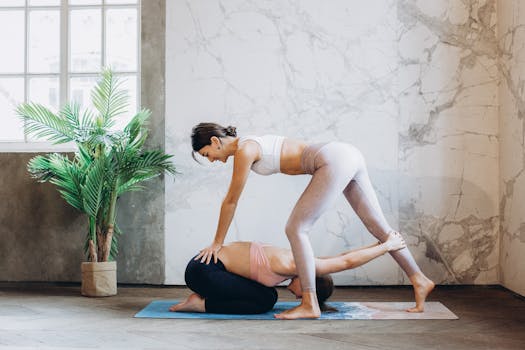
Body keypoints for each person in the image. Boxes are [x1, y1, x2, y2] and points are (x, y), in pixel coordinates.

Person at [190, 122, 435, 319]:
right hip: (345, 154)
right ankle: (419, 279)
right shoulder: (249, 143)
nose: (211, 160)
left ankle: (309, 302)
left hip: (331, 159)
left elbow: (231, 200)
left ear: (214, 141)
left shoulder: (245, 150)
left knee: (296, 228)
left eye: (207, 154)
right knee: (379, 229)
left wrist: (217, 242)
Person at [169, 232, 406, 314]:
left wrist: (379, 244)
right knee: (265, 299)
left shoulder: (299, 261)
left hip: (205, 268)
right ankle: (199, 305)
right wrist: (387, 247)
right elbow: (346, 262)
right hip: (204, 271)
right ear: (307, 281)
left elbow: (342, 256)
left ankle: (202, 301)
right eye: (301, 294)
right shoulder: (293, 264)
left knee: (267, 295)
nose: (295, 295)